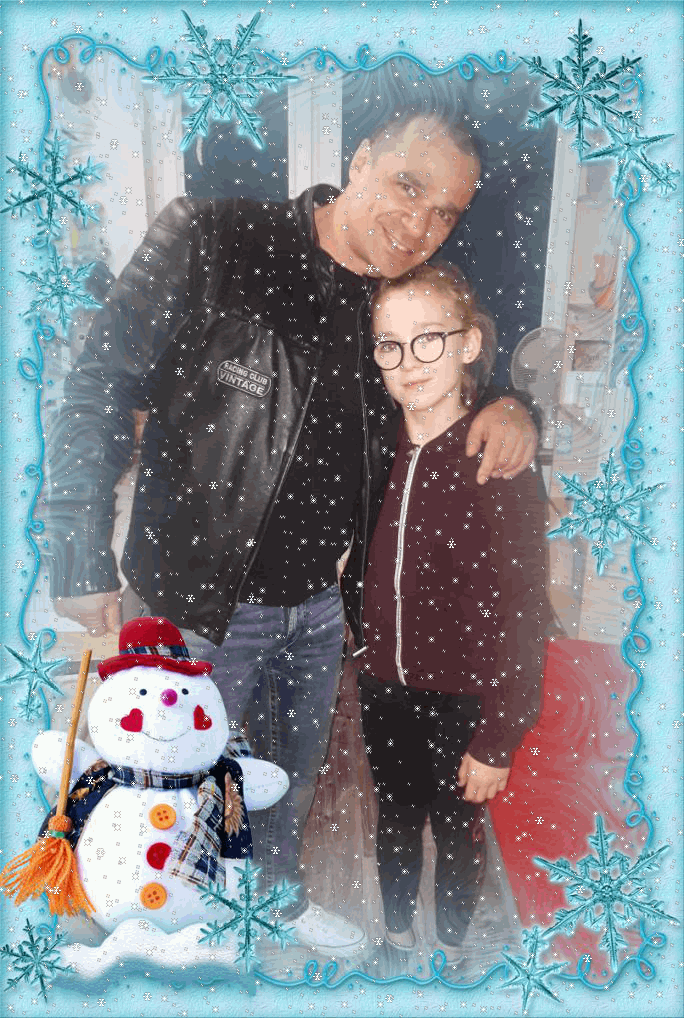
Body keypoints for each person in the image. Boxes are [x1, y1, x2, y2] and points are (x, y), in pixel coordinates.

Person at [45, 110, 539, 955]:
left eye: (445, 212)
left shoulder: (397, 301)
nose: (419, 224)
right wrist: (77, 545)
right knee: (154, 789)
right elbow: (99, 383)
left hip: (315, 610)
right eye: (407, 186)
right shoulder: (216, 236)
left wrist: (514, 406)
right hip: (194, 599)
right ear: (361, 159)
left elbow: (455, 374)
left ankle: (274, 899)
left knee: (283, 781)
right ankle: (129, 935)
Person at [349, 261, 549, 961]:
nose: (409, 362)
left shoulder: (498, 464)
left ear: (469, 344)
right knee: (397, 819)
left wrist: (499, 736)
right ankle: (398, 935)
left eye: (428, 339)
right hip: (384, 684)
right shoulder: (377, 446)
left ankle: (457, 948)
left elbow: (524, 611)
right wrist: (363, 647)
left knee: (458, 827)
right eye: (390, 344)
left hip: (466, 695)